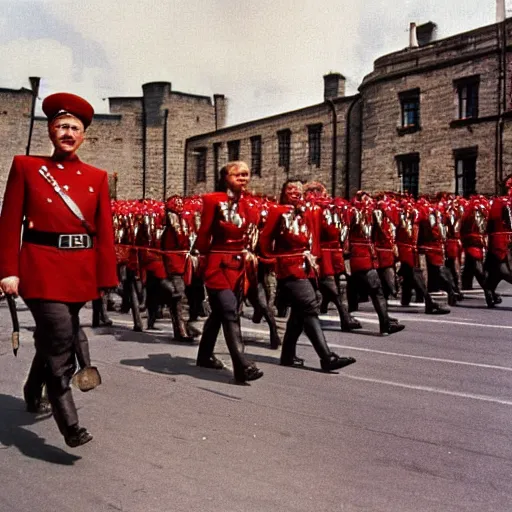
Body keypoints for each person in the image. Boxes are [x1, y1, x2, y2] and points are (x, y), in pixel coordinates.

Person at [0, 92, 118, 447]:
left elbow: (105, 231)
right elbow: (9, 223)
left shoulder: (96, 177)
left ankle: (32, 388)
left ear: (84, 135)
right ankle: (70, 424)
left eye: (75, 128)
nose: (68, 133)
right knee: (61, 336)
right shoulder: (26, 166)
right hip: (40, 267)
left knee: (57, 337)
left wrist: (106, 277)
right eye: (61, 126)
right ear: (50, 131)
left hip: (79, 270)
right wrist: (8, 270)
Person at [259, 179, 356, 371]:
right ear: (283, 192)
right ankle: (326, 357)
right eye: (291, 189)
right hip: (288, 266)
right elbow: (264, 238)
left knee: (298, 313)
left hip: (305, 265)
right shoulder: (277, 211)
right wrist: (271, 260)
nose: (295, 192)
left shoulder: (304, 211)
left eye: (299, 190)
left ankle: (287, 355)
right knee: (309, 307)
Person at [194, 161, 264, 384]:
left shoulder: (249, 203)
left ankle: (204, 355)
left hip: (239, 264)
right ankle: (243, 365)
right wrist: (201, 260)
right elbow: (204, 233)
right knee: (229, 311)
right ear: (225, 177)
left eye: (246, 174)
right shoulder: (213, 200)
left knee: (220, 313)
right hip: (217, 262)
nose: (243, 178)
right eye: (238, 175)